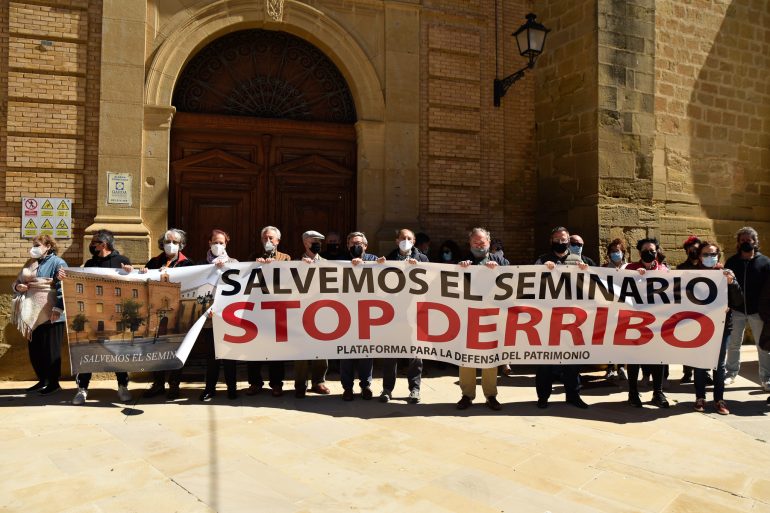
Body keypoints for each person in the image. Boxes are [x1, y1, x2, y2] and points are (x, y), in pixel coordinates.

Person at [67, 230, 133, 405]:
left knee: (117, 352)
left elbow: (131, 284)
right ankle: (82, 388)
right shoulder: (90, 263)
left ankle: (122, 386)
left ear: (104, 244)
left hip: (115, 314)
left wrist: (130, 272)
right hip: (92, 315)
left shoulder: (122, 261)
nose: (91, 245)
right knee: (88, 352)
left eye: (94, 242)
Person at [532, 227, 590, 409]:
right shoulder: (541, 260)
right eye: (557, 238)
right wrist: (542, 271)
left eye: (563, 238)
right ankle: (543, 397)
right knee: (545, 362)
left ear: (569, 241)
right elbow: (530, 284)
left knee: (572, 361)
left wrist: (586, 271)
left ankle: (573, 395)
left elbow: (596, 286)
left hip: (573, 320)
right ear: (551, 241)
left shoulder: (582, 261)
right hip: (547, 319)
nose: (560, 241)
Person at [456, 227, 508, 411]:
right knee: (466, 359)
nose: (479, 245)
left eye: (482, 242)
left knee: (490, 359)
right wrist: (459, 271)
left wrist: (498, 272)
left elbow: (511, 281)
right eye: (475, 242)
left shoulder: (500, 260)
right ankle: (467, 395)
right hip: (467, 317)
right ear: (470, 243)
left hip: (490, 318)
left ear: (489, 242)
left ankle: (491, 395)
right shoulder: (461, 262)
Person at [141, 228, 195, 400]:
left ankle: (174, 385)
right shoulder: (154, 262)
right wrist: (142, 273)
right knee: (156, 348)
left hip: (177, 313)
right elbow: (144, 282)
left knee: (176, 349)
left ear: (181, 245)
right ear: (162, 244)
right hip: (155, 313)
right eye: (167, 241)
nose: (170, 245)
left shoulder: (188, 265)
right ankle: (158, 384)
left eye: (175, 242)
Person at [12, 234, 68, 395]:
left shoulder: (58, 262)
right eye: (33, 244)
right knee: (36, 349)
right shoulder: (30, 263)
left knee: (51, 350)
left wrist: (58, 308)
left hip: (51, 314)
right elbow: (16, 282)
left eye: (37, 245)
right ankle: (42, 380)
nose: (34, 248)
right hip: (32, 313)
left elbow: (62, 287)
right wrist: (18, 287)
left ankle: (54, 383)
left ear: (48, 246)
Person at [379, 228, 428, 404]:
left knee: (415, 354)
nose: (405, 240)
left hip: (414, 314)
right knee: (390, 354)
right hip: (393, 314)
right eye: (402, 238)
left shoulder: (422, 259)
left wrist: (420, 268)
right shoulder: (387, 259)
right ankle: (387, 389)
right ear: (396, 240)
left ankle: (414, 389)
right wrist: (380, 267)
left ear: (414, 241)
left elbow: (430, 283)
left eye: (409, 238)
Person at [693, 241, 741, 415]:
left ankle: (719, 399)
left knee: (719, 364)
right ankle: (700, 397)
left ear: (718, 256)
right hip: (698, 325)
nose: (709, 257)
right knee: (699, 363)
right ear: (699, 257)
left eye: (713, 254)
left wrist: (732, 283)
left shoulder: (726, 274)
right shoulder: (691, 275)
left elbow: (738, 301)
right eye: (705, 254)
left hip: (722, 326)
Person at [724, 227, 770, 391]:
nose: (745, 242)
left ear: (755, 242)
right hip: (736, 310)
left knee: (762, 346)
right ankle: (730, 374)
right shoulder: (732, 262)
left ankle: (766, 378)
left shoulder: (765, 262)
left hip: (758, 312)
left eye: (748, 240)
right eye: (742, 240)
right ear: (738, 243)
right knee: (734, 344)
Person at [625, 237, 670, 408]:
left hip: (657, 321)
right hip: (634, 320)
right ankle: (633, 392)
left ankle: (657, 393)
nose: (649, 253)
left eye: (652, 250)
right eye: (646, 250)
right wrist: (636, 278)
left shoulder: (664, 270)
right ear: (639, 252)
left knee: (657, 357)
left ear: (657, 251)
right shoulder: (630, 269)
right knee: (634, 358)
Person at [340, 231, 385, 400]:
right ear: (347, 245)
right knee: (346, 353)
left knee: (366, 353)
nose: (355, 246)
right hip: (346, 313)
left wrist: (374, 264)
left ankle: (365, 386)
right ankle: (347, 387)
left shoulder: (374, 260)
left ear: (365, 246)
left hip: (368, 314)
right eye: (352, 243)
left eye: (359, 243)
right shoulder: (341, 260)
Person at [246, 226, 289, 397]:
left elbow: (288, 278)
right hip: (256, 311)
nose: (268, 241)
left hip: (276, 311)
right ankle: (255, 383)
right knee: (254, 349)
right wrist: (257, 265)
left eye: (271, 238)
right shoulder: (253, 257)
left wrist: (274, 266)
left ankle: (276, 384)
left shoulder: (285, 258)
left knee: (276, 351)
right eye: (265, 238)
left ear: (278, 241)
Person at [199, 229, 238, 402]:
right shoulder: (201, 264)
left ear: (226, 244)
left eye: (221, 242)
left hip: (228, 317)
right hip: (209, 318)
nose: (218, 245)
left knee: (229, 356)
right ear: (209, 243)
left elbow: (240, 289)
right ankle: (210, 389)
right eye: (215, 242)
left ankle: (231, 388)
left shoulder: (235, 262)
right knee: (212, 357)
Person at [294, 230, 331, 398]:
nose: (317, 244)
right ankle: (300, 384)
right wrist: (302, 268)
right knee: (301, 350)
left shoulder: (327, 263)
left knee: (321, 348)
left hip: (322, 311)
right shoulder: (295, 264)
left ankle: (319, 381)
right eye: (313, 241)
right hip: (300, 312)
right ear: (305, 243)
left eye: (319, 241)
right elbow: (289, 287)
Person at [677, 236, 712, 385]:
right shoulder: (680, 268)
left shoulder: (707, 268)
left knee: (706, 343)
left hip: (705, 311)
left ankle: (706, 372)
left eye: (695, 249)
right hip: (687, 310)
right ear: (686, 251)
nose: (693, 252)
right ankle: (687, 372)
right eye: (690, 249)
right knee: (686, 343)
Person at [603, 238, 628, 381]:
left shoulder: (630, 268)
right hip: (610, 310)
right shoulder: (604, 268)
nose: (615, 254)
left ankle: (622, 367)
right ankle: (610, 367)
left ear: (623, 252)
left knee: (623, 339)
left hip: (625, 310)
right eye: (612, 252)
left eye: (617, 251)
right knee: (609, 340)